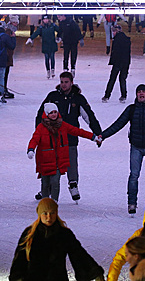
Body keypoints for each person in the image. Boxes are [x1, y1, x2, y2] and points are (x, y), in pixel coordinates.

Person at [36, 71, 102, 202]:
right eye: (61, 82)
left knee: (71, 161)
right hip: (52, 138)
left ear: (71, 82)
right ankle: (47, 187)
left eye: (66, 82)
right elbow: (40, 114)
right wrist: (39, 134)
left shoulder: (78, 98)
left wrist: (97, 132)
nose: (63, 85)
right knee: (51, 163)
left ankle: (73, 184)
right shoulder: (52, 96)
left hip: (70, 136)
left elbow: (88, 116)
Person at [101, 84, 145, 214]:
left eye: (143, 92)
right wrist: (103, 135)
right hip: (136, 147)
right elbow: (118, 124)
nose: (141, 94)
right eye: (138, 92)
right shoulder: (132, 109)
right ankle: (132, 203)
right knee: (133, 176)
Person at [9, 198, 105, 281]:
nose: (49, 217)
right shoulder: (29, 234)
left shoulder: (64, 234)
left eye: (52, 213)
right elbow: (19, 260)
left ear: (56, 213)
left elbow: (78, 255)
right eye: (45, 213)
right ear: (39, 214)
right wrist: (18, 278)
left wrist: (94, 272)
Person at [28, 103, 100, 201]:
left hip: (58, 160)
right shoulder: (41, 127)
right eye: (51, 113)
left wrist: (93, 137)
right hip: (44, 160)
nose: (53, 115)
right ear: (46, 114)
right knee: (45, 183)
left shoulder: (62, 125)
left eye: (55, 112)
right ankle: (45, 202)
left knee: (55, 181)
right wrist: (31, 149)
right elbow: (34, 139)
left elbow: (77, 131)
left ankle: (54, 202)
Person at [102, 24, 131, 104]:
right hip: (125, 62)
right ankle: (123, 96)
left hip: (118, 62)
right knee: (122, 79)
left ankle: (107, 96)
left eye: (114, 31)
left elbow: (116, 52)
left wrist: (113, 61)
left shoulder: (117, 40)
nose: (113, 33)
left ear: (117, 31)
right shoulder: (126, 39)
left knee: (112, 79)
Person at [3, 15, 19, 99]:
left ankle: (4, 90)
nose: (15, 24)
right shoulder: (9, 32)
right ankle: (3, 91)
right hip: (6, 56)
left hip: (7, 56)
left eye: (16, 22)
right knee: (4, 74)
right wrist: (13, 38)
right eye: (14, 22)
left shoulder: (9, 30)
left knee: (5, 74)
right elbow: (12, 46)